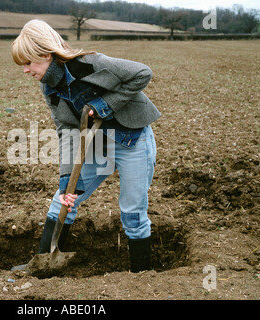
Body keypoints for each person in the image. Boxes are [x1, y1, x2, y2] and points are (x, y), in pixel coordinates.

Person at [11, 19, 160, 272]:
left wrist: (103, 105)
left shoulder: (92, 64)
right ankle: (44, 265)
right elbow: (66, 130)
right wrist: (67, 179)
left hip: (133, 141)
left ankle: (142, 275)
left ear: (45, 54)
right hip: (96, 145)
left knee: (132, 213)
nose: (25, 70)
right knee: (63, 201)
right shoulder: (48, 87)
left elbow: (142, 73)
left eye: (28, 63)